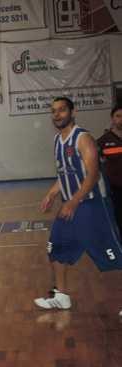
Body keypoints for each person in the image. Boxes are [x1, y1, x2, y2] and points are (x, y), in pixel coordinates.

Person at [34, 97, 122, 313]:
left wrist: (73, 201)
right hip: (70, 205)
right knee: (56, 248)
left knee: (113, 255)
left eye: (62, 110)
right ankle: (62, 296)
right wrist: (51, 194)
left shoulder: (83, 138)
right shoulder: (57, 140)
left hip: (93, 205)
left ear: (73, 112)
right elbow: (64, 174)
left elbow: (93, 175)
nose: (57, 114)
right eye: (53, 111)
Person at [97, 105, 122, 234]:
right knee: (119, 219)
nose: (121, 119)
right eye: (118, 116)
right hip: (115, 190)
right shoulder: (103, 141)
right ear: (112, 119)